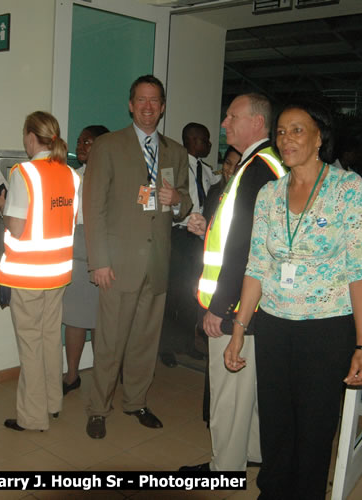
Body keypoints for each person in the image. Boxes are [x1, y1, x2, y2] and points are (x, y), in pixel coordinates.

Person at [224, 100, 362, 499]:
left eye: (297, 130)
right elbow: (256, 264)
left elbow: (360, 272)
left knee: (314, 429)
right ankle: (272, 491)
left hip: (326, 330)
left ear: (319, 136)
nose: (286, 139)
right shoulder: (271, 193)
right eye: (280, 132)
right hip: (274, 324)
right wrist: (239, 328)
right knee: (275, 422)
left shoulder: (347, 188)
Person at [180, 93, 286, 473]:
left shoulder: (257, 169)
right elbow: (245, 234)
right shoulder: (264, 164)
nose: (224, 124)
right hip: (252, 302)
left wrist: (222, 309)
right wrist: (207, 228)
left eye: (231, 116)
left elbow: (246, 247)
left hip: (237, 305)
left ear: (257, 122)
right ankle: (253, 453)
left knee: (228, 391)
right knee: (247, 391)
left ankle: (224, 469)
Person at [83, 74, 192, 439]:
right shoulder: (108, 145)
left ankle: (136, 401)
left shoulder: (176, 151)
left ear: (162, 107)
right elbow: (94, 204)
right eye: (141, 100)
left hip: (157, 262)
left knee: (146, 340)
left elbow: (185, 201)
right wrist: (98, 260)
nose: (148, 106)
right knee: (110, 341)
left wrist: (177, 201)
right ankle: (98, 407)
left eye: (155, 100)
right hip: (117, 264)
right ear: (131, 105)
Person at [0, 111, 80, 432]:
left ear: (31, 137)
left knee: (30, 343)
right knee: (47, 339)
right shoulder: (71, 175)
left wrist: (1, 208)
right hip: (57, 274)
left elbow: (16, 226)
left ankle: (31, 417)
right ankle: (53, 403)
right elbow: (71, 220)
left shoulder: (23, 173)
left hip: (27, 275)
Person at [159, 122, 218, 368]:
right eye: (204, 140)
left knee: (192, 294)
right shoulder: (175, 167)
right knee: (172, 293)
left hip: (200, 238)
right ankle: (165, 347)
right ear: (191, 140)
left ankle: (186, 344)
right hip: (179, 234)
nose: (209, 145)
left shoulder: (207, 170)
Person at [62, 124, 109, 395]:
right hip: (77, 253)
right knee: (75, 318)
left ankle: (104, 378)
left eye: (88, 142)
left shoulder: (115, 179)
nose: (80, 146)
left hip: (105, 254)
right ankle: (71, 376)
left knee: (104, 322)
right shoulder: (72, 177)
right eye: (80, 141)